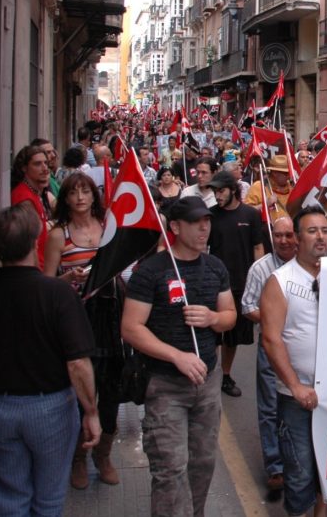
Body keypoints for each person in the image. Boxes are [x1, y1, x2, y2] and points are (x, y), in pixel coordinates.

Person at [0, 204, 99, 516]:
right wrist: (90, 411)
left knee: (8, 500)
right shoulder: (58, 294)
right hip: (51, 409)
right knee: (48, 501)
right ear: (36, 240)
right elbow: (78, 363)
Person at [121, 196, 237, 516]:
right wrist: (176, 356)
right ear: (174, 227)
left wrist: (213, 319)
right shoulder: (152, 271)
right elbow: (131, 328)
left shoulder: (215, 267)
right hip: (165, 384)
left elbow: (230, 315)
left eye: (208, 221)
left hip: (207, 384)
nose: (204, 228)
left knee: (202, 464)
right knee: (170, 470)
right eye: (196, 222)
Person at [41, 172, 123, 488]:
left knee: (111, 392)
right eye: (73, 192)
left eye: (85, 191)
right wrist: (68, 279)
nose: (79, 197)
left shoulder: (107, 229)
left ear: (94, 196)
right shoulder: (58, 235)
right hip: (75, 319)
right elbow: (46, 282)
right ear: (66, 199)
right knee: (79, 394)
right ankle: (77, 459)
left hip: (110, 317)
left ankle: (103, 456)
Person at [260, 206, 327, 517]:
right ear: (297, 239)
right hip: (297, 398)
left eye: (325, 230)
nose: (320, 237)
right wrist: (295, 386)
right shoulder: (280, 281)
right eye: (312, 231)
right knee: (300, 470)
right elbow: (271, 339)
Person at [242, 217, 299, 500]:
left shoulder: (311, 263)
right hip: (270, 347)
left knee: (299, 403)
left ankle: (299, 464)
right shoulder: (261, 268)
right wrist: (273, 320)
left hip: (302, 348)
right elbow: (247, 306)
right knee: (270, 407)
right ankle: (275, 467)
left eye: (289, 235)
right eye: (279, 236)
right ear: (272, 237)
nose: (284, 241)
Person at [207, 170, 266, 398]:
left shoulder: (250, 214)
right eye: (214, 191)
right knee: (213, 332)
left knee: (232, 336)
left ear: (233, 190)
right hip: (215, 284)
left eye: (220, 190)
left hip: (242, 283)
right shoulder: (210, 215)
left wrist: (260, 278)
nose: (217, 195)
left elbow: (258, 246)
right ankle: (209, 374)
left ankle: (225, 375)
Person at [10, 144, 54, 268]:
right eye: (37, 164)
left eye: (46, 163)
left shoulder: (33, 193)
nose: (45, 168)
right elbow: (29, 242)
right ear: (24, 168)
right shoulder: (24, 197)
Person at [246, 154, 294, 219]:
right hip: (267, 228)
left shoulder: (292, 187)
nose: (289, 177)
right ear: (275, 173)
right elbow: (246, 212)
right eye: (286, 174)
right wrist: (266, 204)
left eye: (289, 173)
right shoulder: (259, 186)